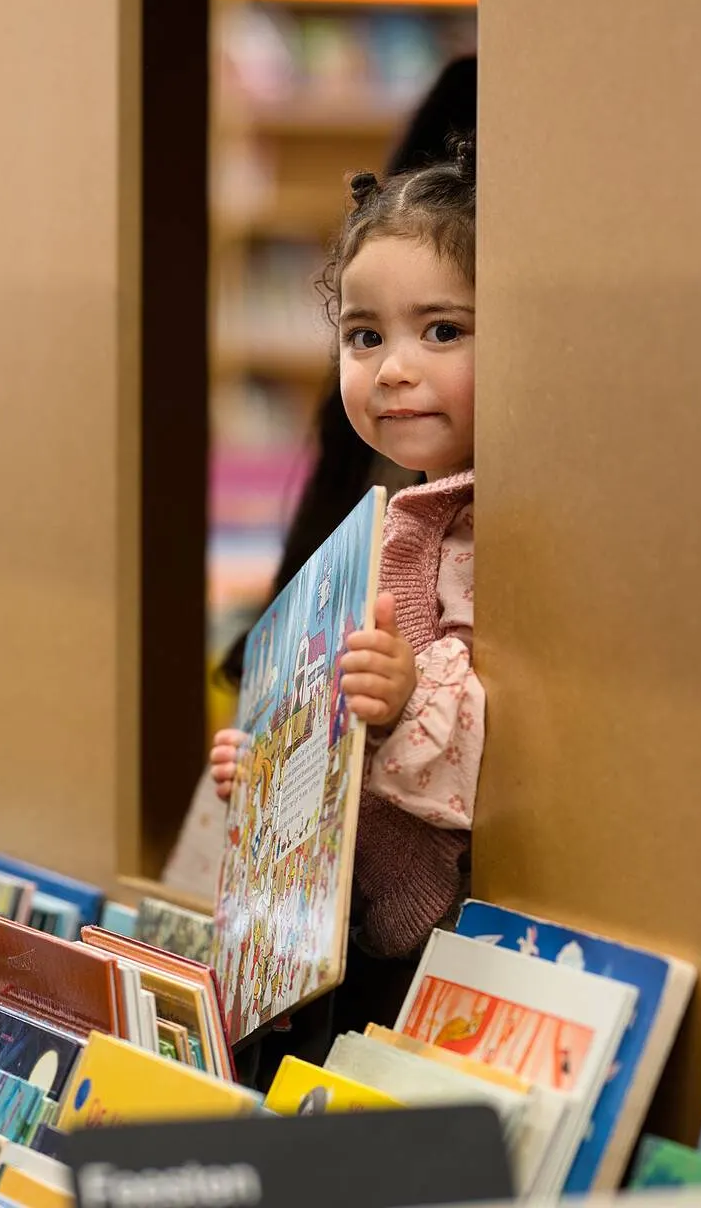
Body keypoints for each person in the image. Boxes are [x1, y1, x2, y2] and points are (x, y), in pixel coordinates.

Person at [216, 136, 483, 1085]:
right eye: (365, 337)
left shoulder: (509, 537)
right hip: (354, 944)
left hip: (454, 948)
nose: (393, 369)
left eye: (442, 331)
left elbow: (526, 742)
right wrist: (276, 764)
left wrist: (408, 702)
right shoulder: (384, 528)